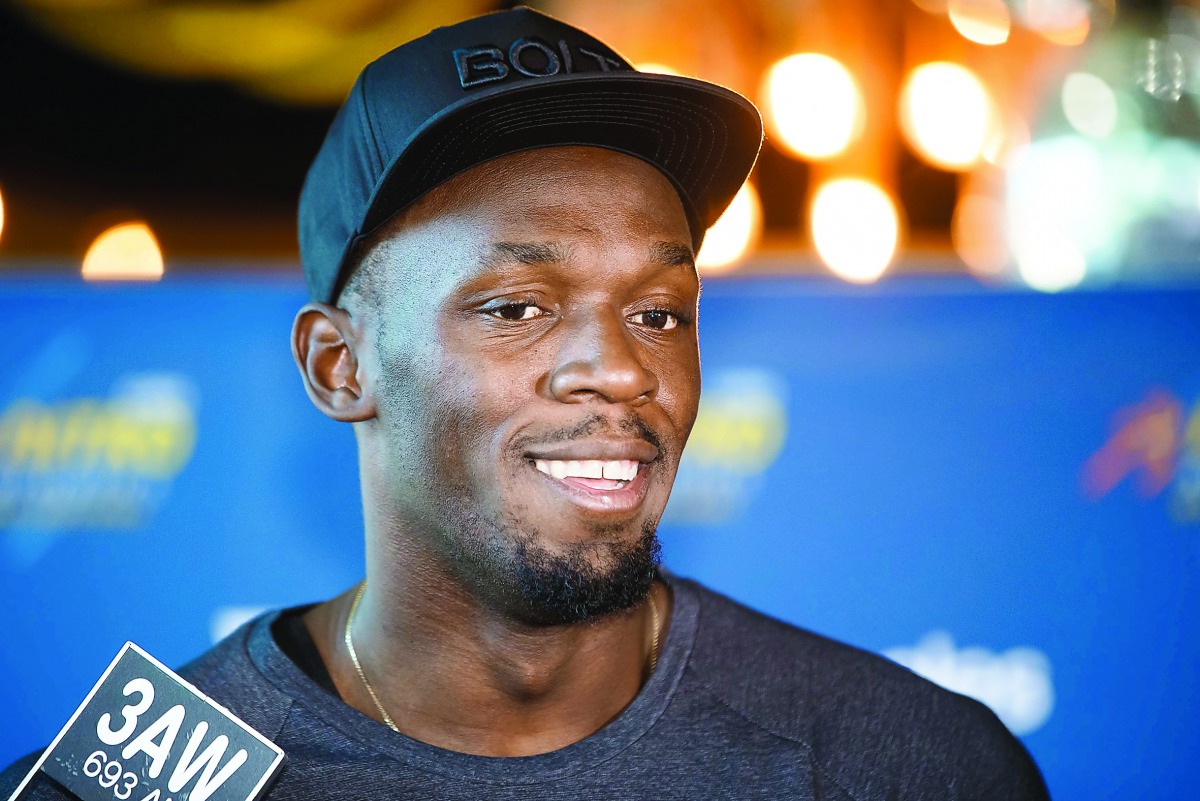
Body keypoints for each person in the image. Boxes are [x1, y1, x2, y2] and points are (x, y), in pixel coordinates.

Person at [2, 7, 1049, 799]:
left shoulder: (907, 765)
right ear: (339, 368)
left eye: (659, 312)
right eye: (516, 307)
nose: (622, 370)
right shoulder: (124, 783)